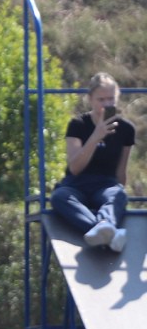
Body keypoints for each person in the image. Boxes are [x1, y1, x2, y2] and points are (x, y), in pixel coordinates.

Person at [51, 72, 135, 253]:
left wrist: (119, 194)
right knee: (59, 197)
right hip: (77, 184)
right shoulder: (78, 125)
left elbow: (121, 173)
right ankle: (108, 232)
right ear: (90, 99)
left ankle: (104, 227)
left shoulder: (126, 129)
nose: (106, 105)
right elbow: (75, 168)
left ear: (117, 98)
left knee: (118, 194)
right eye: (101, 100)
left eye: (111, 99)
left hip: (106, 185)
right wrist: (96, 137)